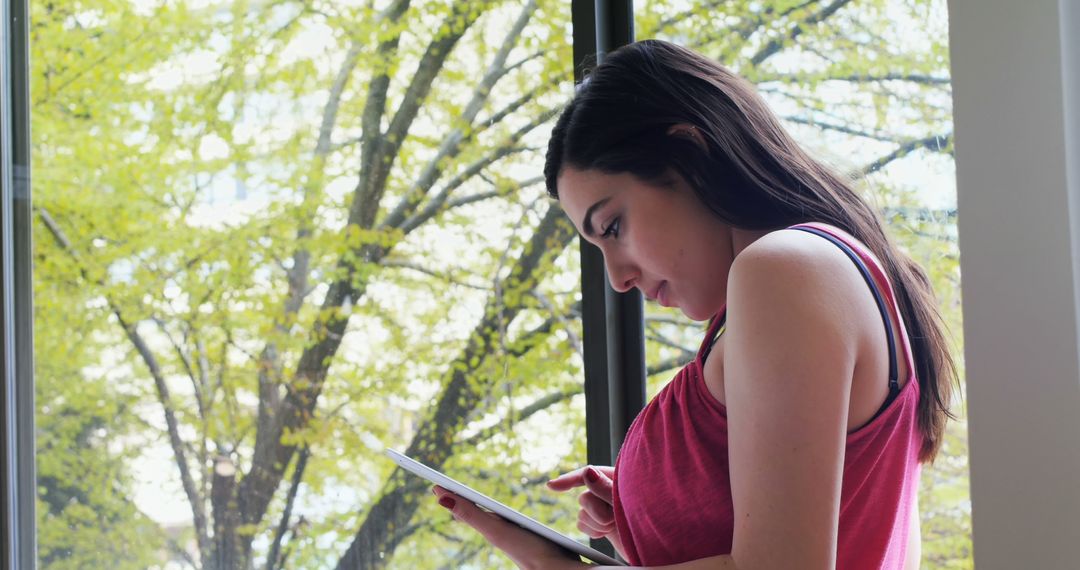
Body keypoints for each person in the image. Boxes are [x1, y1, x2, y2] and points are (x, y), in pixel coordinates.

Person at [431, 39, 957, 569]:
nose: (617, 277)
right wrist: (651, 508)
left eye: (613, 226)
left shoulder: (784, 270)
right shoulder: (832, 277)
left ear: (689, 153)